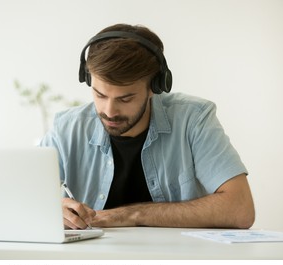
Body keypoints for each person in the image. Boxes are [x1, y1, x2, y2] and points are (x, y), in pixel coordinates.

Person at [40, 23, 255, 229]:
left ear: (155, 87)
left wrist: (131, 215)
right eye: (100, 95)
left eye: (125, 99)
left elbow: (240, 209)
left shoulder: (194, 120)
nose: (109, 111)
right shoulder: (66, 129)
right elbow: (16, 201)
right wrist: (49, 210)